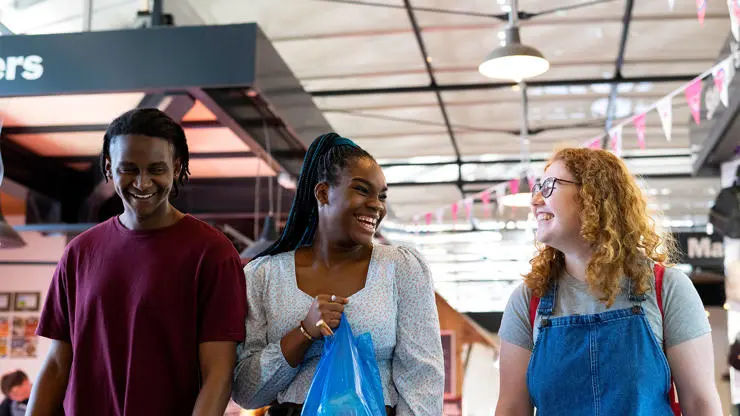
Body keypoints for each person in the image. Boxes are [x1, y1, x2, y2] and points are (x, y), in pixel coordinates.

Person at [27, 108, 247, 416]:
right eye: (128, 169)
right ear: (108, 168)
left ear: (177, 166)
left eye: (156, 169)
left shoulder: (212, 253)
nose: (142, 183)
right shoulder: (79, 253)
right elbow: (57, 363)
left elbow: (219, 373)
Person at [495, 148, 722, 416]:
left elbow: (700, 404)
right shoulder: (527, 301)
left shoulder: (666, 288)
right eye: (537, 187)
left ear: (593, 196)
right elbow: (511, 409)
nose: (535, 200)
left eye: (549, 186)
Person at [231, 133, 444, 416]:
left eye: (381, 196)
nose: (377, 205)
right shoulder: (264, 276)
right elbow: (246, 392)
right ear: (322, 193)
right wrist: (303, 333)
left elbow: (423, 381)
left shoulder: (401, 268)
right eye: (362, 190)